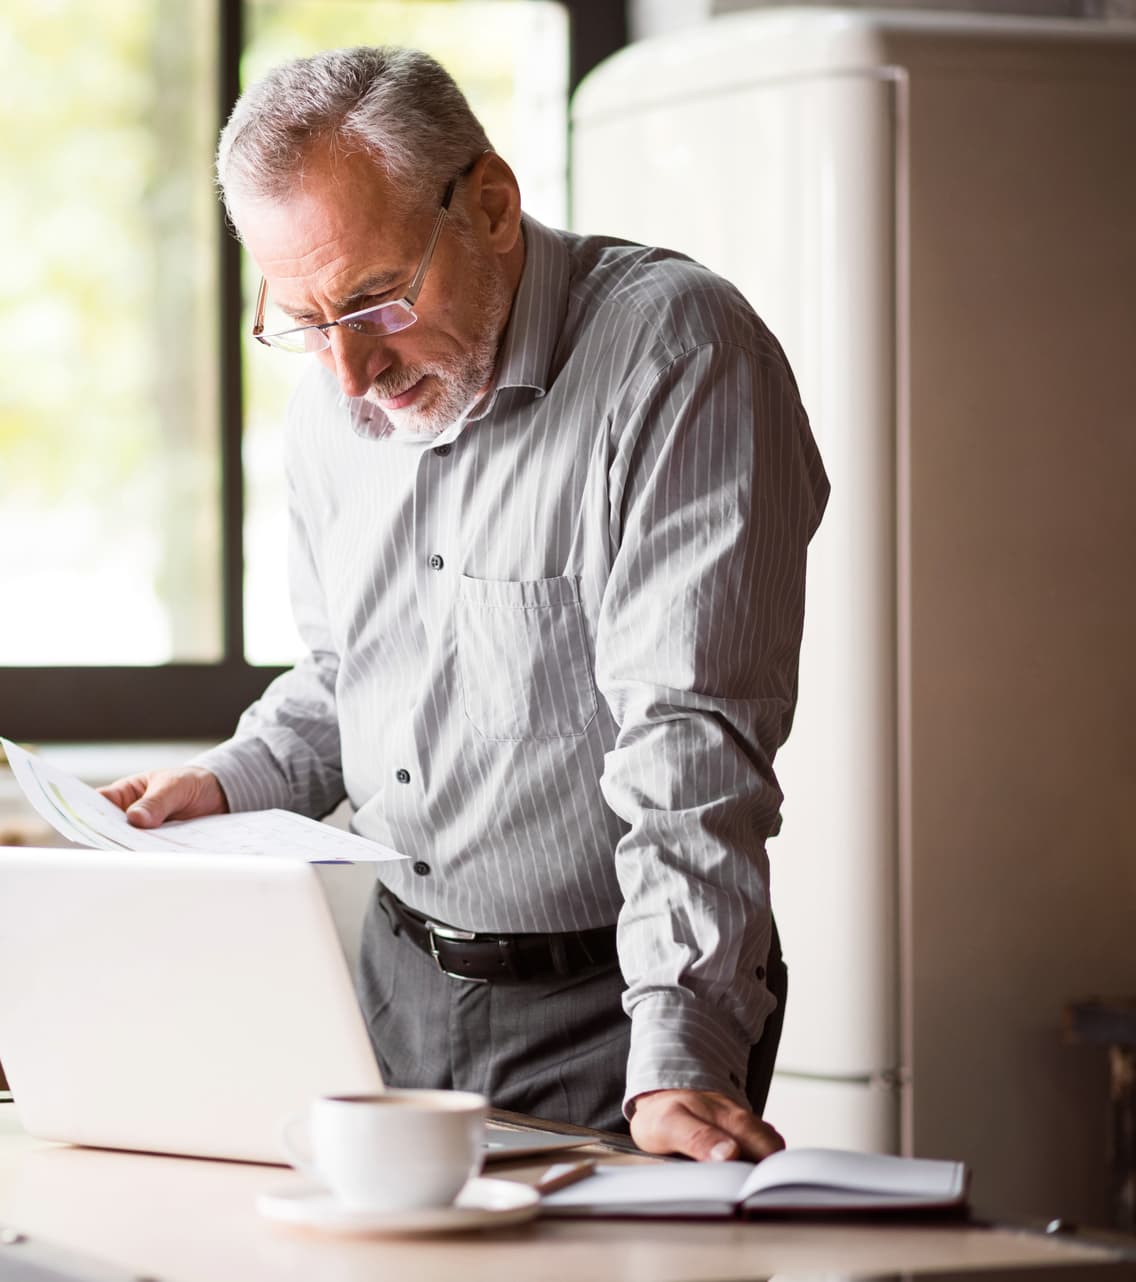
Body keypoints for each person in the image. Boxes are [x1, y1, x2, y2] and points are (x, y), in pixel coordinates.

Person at [99, 46, 828, 1164]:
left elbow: (691, 738)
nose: (349, 375)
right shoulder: (332, 410)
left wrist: (682, 1050)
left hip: (612, 1005)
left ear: (489, 205)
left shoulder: (679, 354)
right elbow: (356, 671)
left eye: (375, 301)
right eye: (302, 320)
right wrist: (226, 778)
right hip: (394, 991)